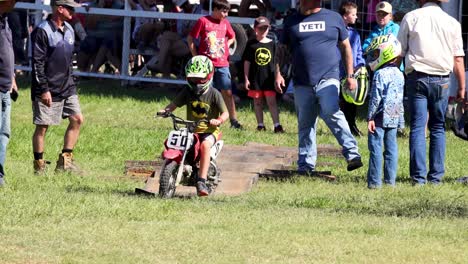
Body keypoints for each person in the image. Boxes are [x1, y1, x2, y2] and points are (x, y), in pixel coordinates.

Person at [275, 0, 363, 173]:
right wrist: (278, 73)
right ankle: (306, 165)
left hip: (328, 77)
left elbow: (346, 47)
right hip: (301, 81)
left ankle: (352, 153)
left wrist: (351, 75)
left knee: (331, 110)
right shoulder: (292, 21)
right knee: (305, 123)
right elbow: (282, 49)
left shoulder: (333, 18)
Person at [397, 0, 466, 185]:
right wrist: (461, 87)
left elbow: (399, 52)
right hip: (442, 79)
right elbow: (458, 59)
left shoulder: (411, 17)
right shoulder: (452, 22)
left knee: (418, 126)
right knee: (438, 127)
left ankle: (418, 177)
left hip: (417, 77)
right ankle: (435, 177)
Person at [158, 55, 229, 196]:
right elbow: (174, 104)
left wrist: (219, 120)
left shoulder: (214, 94)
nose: (196, 83)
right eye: (193, 79)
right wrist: (166, 111)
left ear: (209, 76)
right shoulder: (187, 91)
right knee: (178, 142)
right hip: (192, 129)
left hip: (210, 131)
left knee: (204, 146)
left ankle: (201, 181)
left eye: (200, 79)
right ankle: (177, 166)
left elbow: (226, 113)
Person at [31, 0, 84, 174]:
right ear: (59, 9)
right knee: (43, 126)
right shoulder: (43, 30)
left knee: (77, 119)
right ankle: (39, 165)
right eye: (69, 8)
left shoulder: (69, 29)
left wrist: (72, 82)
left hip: (67, 86)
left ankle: (65, 161)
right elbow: (37, 63)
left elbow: (70, 60)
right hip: (47, 87)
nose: (72, 12)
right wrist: (44, 89)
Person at [187, 0, 243, 129]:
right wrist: (195, 56)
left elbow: (232, 36)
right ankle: (202, 120)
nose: (226, 14)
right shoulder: (203, 21)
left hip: (222, 64)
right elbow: (191, 38)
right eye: (224, 11)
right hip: (206, 65)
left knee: (227, 92)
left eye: (227, 11)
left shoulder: (225, 23)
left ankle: (234, 120)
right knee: (205, 92)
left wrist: (227, 45)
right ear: (215, 9)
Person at [366, 34, 405, 189]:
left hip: (380, 115)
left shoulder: (379, 74)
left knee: (375, 148)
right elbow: (400, 98)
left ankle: (375, 183)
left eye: (376, 54)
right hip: (394, 112)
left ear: (385, 53)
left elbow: (375, 98)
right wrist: (401, 120)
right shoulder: (400, 74)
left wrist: (370, 117)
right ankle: (390, 182)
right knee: (391, 149)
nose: (374, 57)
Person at [243, 16, 283, 133]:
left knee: (271, 101)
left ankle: (277, 125)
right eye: (261, 28)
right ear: (255, 29)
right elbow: (247, 62)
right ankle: (260, 125)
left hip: (269, 78)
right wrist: (246, 78)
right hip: (255, 79)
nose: (263, 31)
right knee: (257, 102)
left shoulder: (272, 44)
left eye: (266, 28)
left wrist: (278, 76)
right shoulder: (251, 44)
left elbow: (276, 62)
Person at [339, 1, 366, 137]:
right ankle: (344, 128)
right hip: (339, 74)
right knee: (342, 102)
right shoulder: (337, 32)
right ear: (345, 16)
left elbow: (359, 52)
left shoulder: (354, 33)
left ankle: (352, 124)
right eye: (354, 14)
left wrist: (361, 65)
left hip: (353, 73)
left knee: (352, 100)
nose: (356, 17)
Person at [0, 0, 19, 187]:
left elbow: (7, 51)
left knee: (4, 133)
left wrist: (12, 77)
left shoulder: (5, 20)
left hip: (5, 86)